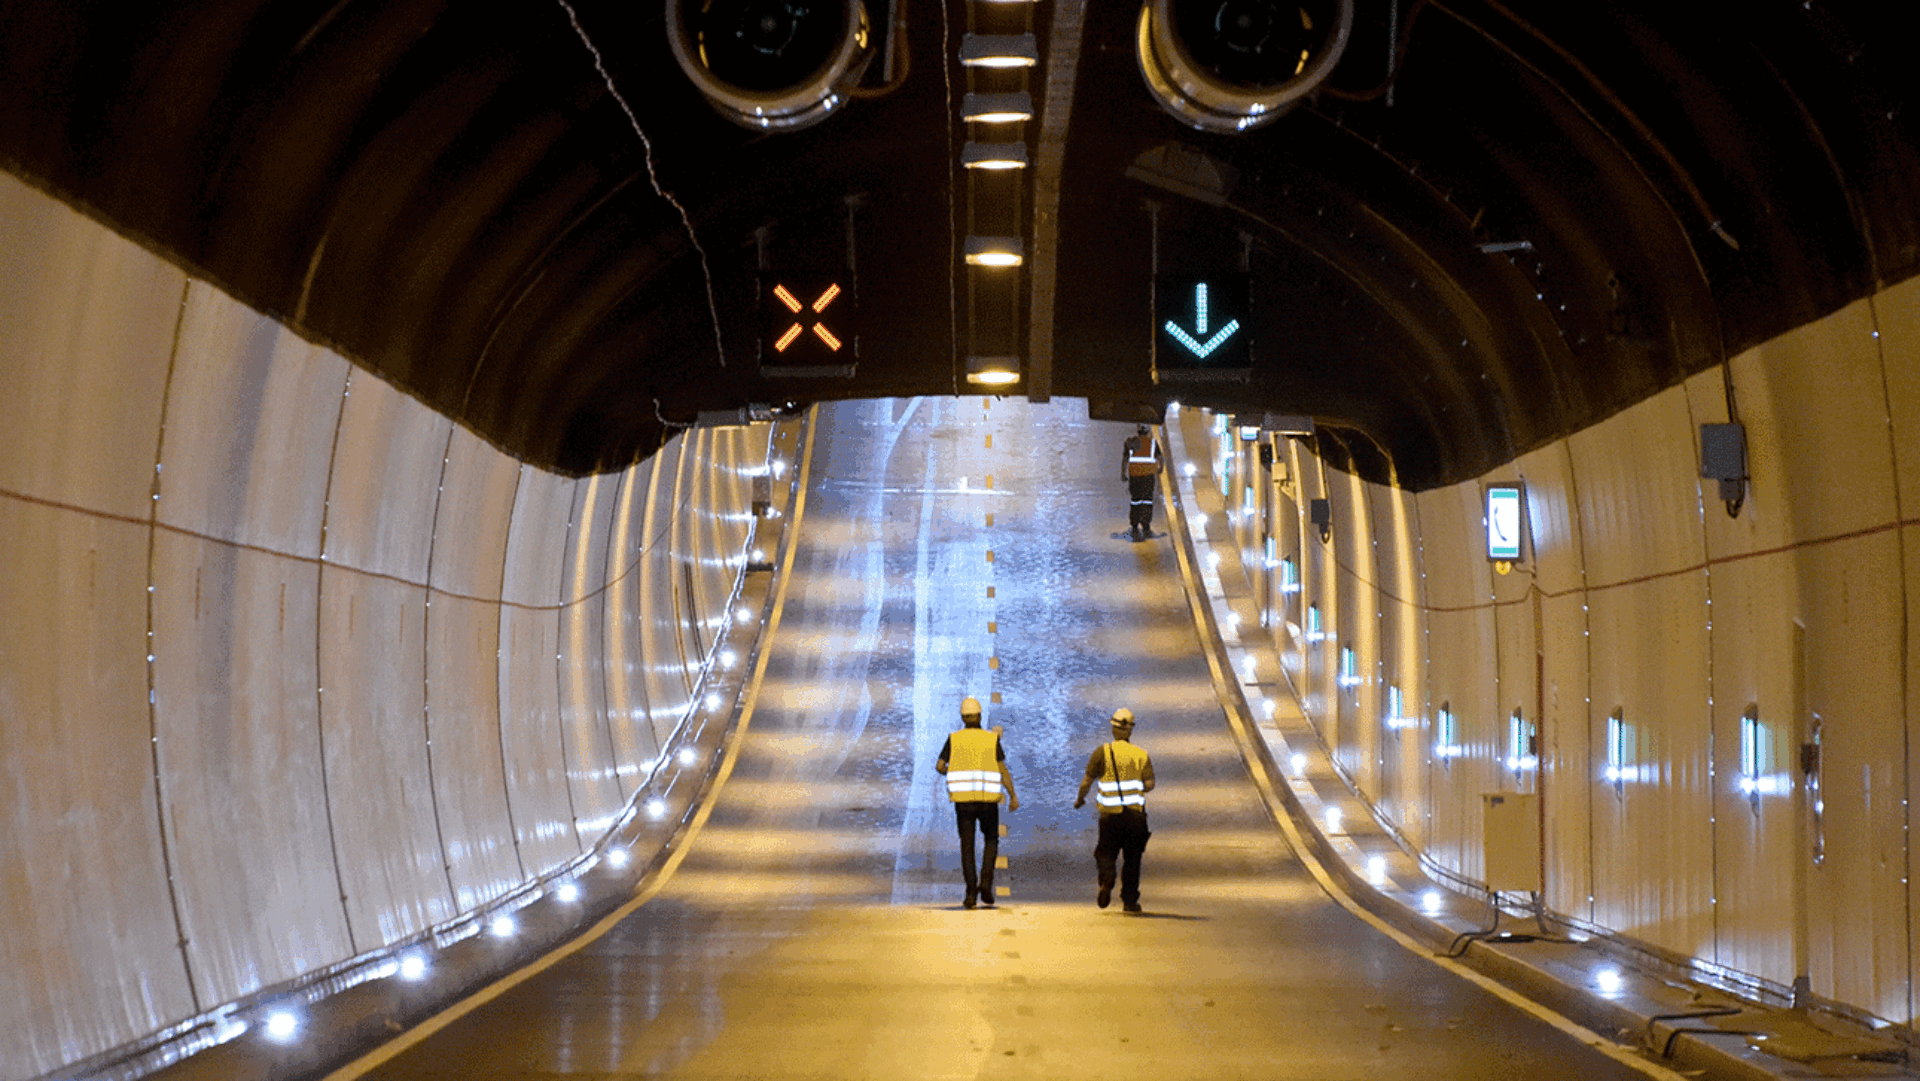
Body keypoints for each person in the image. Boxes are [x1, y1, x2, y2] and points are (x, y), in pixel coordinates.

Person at [936, 696, 1019, 909]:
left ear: (962, 718)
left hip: (963, 802)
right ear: (980, 716)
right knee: (991, 839)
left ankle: (971, 892)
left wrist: (949, 772)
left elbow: (939, 765)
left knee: (967, 845)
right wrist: (1012, 795)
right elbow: (1002, 769)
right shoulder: (990, 739)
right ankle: (986, 883)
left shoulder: (954, 739)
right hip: (987, 802)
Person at [1074, 707, 1156, 912]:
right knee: (1133, 859)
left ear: (1113, 729)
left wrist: (1080, 799)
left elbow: (1086, 782)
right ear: (1130, 730)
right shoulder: (1141, 754)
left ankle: (1107, 877)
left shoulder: (1102, 752)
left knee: (1104, 852)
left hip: (1110, 816)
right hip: (1135, 816)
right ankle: (1129, 901)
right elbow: (1150, 783)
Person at [1122, 424, 1162, 539]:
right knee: (1147, 500)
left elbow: (1125, 458)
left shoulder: (1130, 442)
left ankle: (1134, 526)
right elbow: (1160, 458)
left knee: (1135, 500)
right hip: (1148, 476)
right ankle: (1146, 526)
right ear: (1148, 431)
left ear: (1138, 431)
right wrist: (1160, 468)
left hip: (1134, 476)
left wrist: (1123, 473)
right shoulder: (1153, 443)